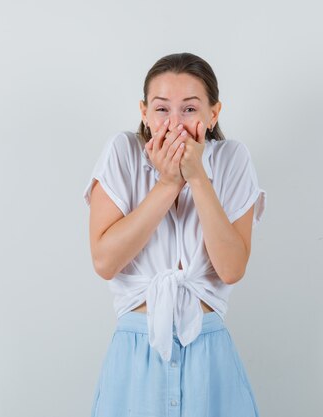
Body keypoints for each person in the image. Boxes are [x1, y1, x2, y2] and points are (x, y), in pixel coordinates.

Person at [83, 52, 266, 417]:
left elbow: (231, 268)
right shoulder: (123, 153)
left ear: (213, 114)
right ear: (145, 112)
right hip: (137, 350)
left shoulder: (233, 159)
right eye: (162, 109)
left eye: (190, 109)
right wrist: (168, 184)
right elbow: (104, 261)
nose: (175, 124)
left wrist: (197, 176)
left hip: (209, 353)